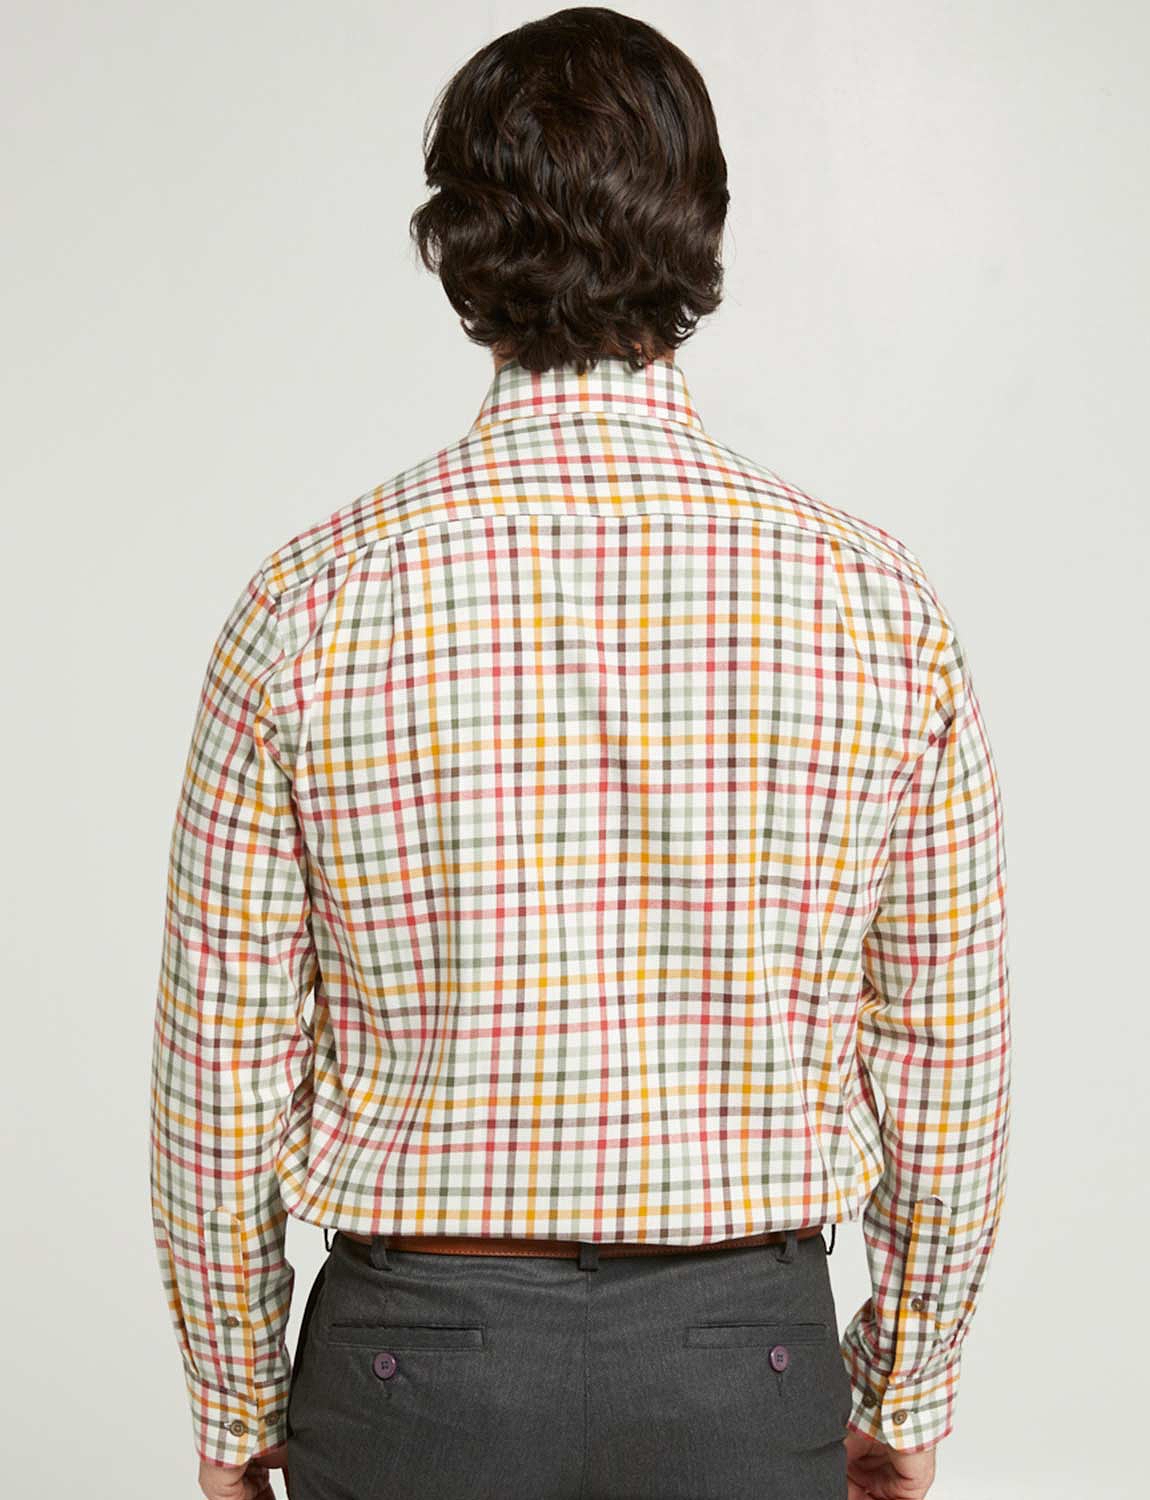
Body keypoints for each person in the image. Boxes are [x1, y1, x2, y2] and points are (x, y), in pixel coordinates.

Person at [148, 8, 1012, 1500]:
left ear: (458, 250)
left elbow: (222, 1064)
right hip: (743, 1362)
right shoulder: (873, 604)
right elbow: (945, 1044)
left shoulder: (309, 602)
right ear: (702, 232)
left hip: (415, 1366)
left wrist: (235, 1400)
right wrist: (906, 1376)